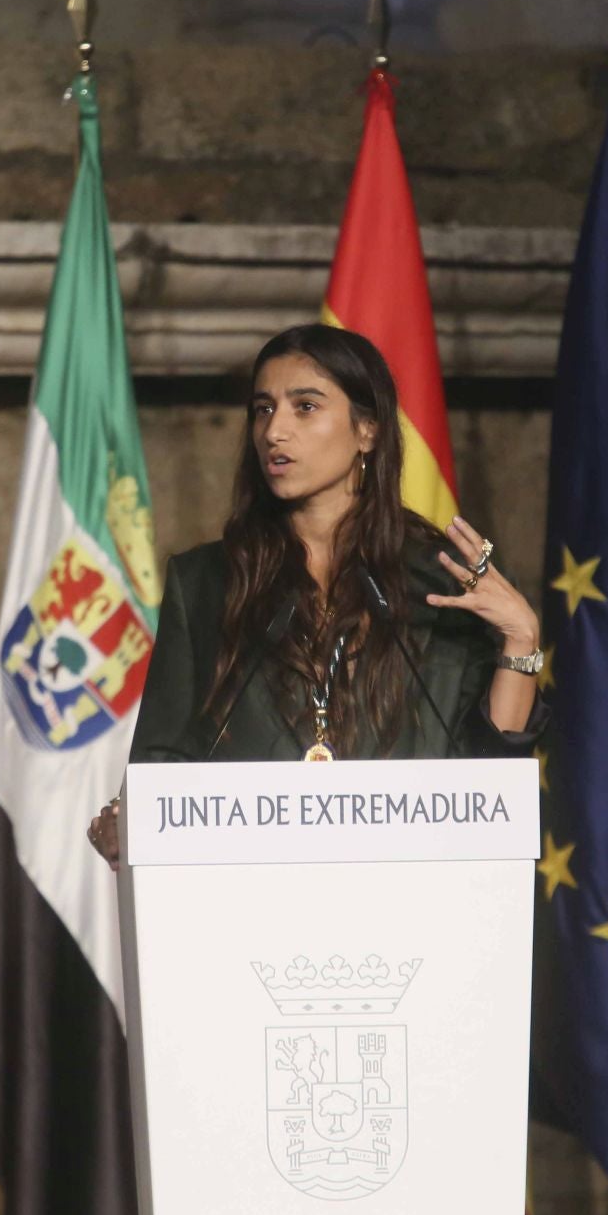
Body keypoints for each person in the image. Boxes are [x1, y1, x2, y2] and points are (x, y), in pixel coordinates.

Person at [86, 323, 546, 867]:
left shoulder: (443, 581)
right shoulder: (207, 582)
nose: (274, 431)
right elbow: (162, 759)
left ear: (368, 429)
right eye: (262, 409)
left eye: (304, 407)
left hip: (414, 896)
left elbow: (490, 781)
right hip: (250, 896)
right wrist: (128, 820)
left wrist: (520, 640)